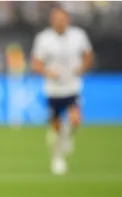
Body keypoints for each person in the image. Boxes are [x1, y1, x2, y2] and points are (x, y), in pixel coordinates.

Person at [30, 6, 93, 175]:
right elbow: (36, 64)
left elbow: (88, 54)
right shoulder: (44, 39)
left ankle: (67, 137)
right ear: (52, 20)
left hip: (72, 86)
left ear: (68, 19)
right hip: (53, 89)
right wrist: (48, 72)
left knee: (75, 120)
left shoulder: (78, 36)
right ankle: (57, 158)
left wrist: (82, 68)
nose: (60, 21)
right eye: (56, 18)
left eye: (63, 18)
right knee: (56, 126)